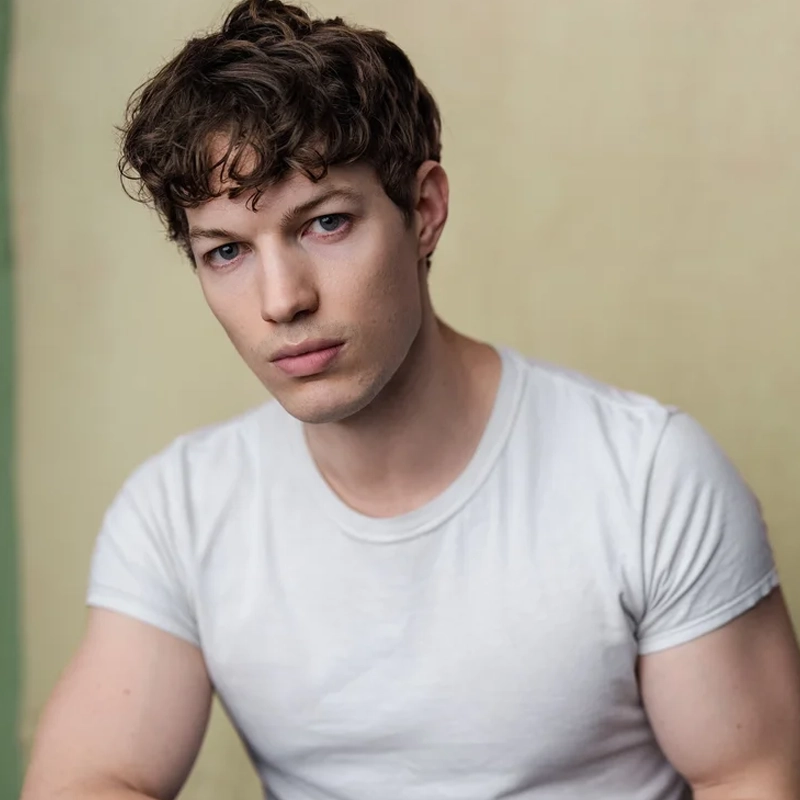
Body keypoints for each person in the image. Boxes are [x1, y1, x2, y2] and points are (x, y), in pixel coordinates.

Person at [20, 1, 800, 798]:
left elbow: (751, 776)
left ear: (423, 211)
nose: (281, 300)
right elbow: (91, 778)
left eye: (325, 223)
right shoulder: (180, 510)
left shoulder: (648, 477)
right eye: (226, 251)